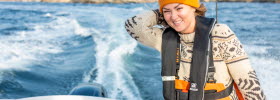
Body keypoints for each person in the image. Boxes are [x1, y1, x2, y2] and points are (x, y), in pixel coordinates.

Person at [124, 0, 266, 100]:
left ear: (194, 8)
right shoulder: (164, 38)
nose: (173, 16)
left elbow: (248, 81)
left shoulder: (220, 33)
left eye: (179, 8)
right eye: (167, 12)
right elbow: (134, 26)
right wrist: (167, 15)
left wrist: (171, 12)